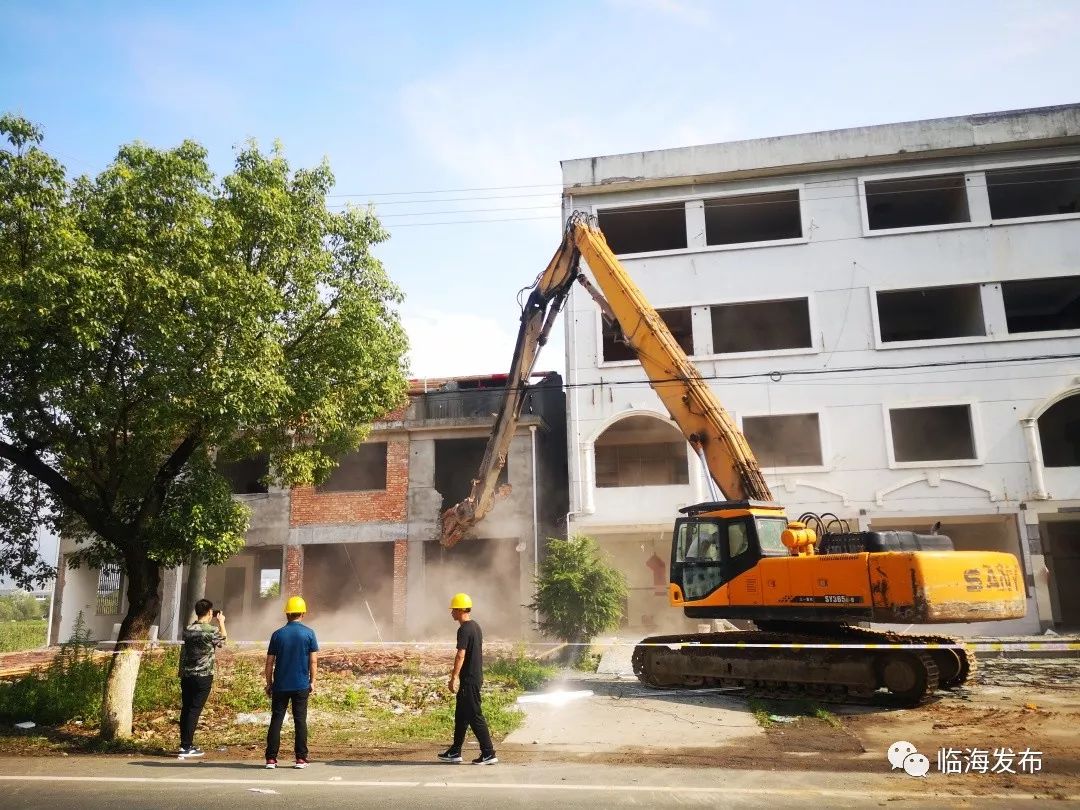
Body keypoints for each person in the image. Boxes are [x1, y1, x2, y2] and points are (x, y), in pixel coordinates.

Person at [437, 592, 497, 765]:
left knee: (475, 715)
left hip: (469, 679)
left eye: (454, 609)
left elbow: (460, 655)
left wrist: (453, 677)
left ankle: (488, 753)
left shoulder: (464, 629)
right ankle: (455, 751)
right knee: (461, 716)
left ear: (461, 609)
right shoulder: (476, 626)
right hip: (474, 677)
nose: (451, 613)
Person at [264, 595, 319, 770]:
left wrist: (269, 683)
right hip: (301, 685)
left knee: (277, 720)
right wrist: (313, 681)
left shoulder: (277, 635)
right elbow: (313, 661)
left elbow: (269, 662)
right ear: (303, 613)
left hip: (280, 685)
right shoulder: (309, 633)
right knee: (300, 720)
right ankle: (301, 758)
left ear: (286, 614)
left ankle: (271, 759)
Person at [178, 598, 226, 758]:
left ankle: (184, 743)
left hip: (187, 675)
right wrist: (222, 623)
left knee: (186, 708)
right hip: (203, 675)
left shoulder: (188, 629)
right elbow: (223, 641)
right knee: (194, 710)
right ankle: (187, 746)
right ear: (210, 613)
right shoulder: (211, 630)